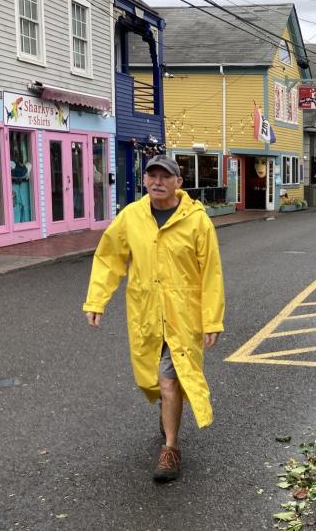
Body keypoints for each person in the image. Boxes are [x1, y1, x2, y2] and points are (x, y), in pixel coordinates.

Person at [82, 155, 225, 483]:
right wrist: (97, 300)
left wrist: (212, 319)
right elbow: (109, 258)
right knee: (151, 380)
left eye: (165, 176)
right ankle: (168, 411)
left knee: (169, 379)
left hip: (182, 317)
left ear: (178, 182)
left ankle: (171, 448)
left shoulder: (197, 221)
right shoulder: (131, 217)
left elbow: (211, 274)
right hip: (145, 313)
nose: (158, 181)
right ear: (144, 180)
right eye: (152, 176)